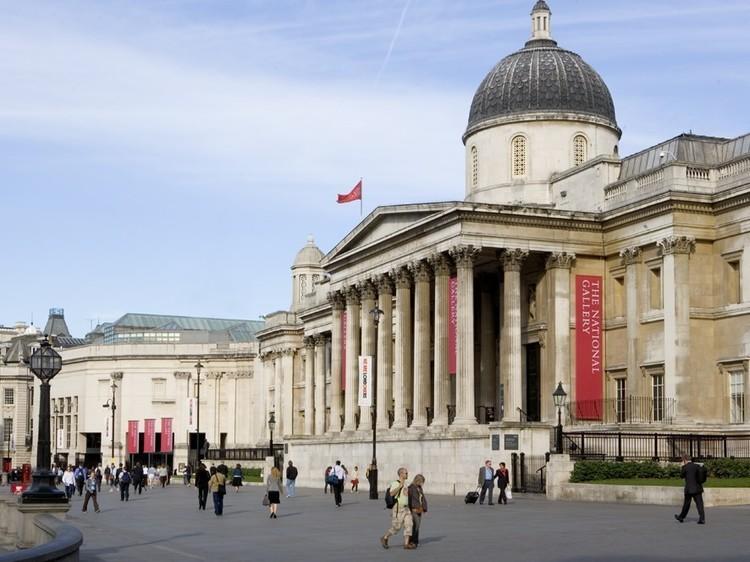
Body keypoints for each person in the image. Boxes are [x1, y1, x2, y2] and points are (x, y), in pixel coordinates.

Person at [380, 467, 414, 550]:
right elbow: (391, 493)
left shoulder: (406, 484)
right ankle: (385, 537)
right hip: (399, 508)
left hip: (406, 508)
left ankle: (406, 544)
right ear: (401, 474)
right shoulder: (395, 483)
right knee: (396, 527)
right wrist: (399, 486)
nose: (407, 474)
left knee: (409, 525)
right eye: (406, 473)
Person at [675, 455, 706, 524]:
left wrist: (682, 466)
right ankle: (702, 518)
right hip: (698, 488)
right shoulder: (697, 466)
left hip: (689, 489)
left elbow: (681, 476)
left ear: (685, 460)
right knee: (699, 504)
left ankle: (681, 517)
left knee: (686, 504)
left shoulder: (685, 467)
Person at [408, 474, 428, 548]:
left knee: (417, 526)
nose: (422, 483)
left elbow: (422, 498)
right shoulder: (411, 488)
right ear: (417, 480)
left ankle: (415, 541)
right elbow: (409, 500)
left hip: (419, 509)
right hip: (414, 509)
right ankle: (412, 541)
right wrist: (410, 509)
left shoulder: (419, 488)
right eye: (422, 482)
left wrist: (424, 508)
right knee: (414, 526)